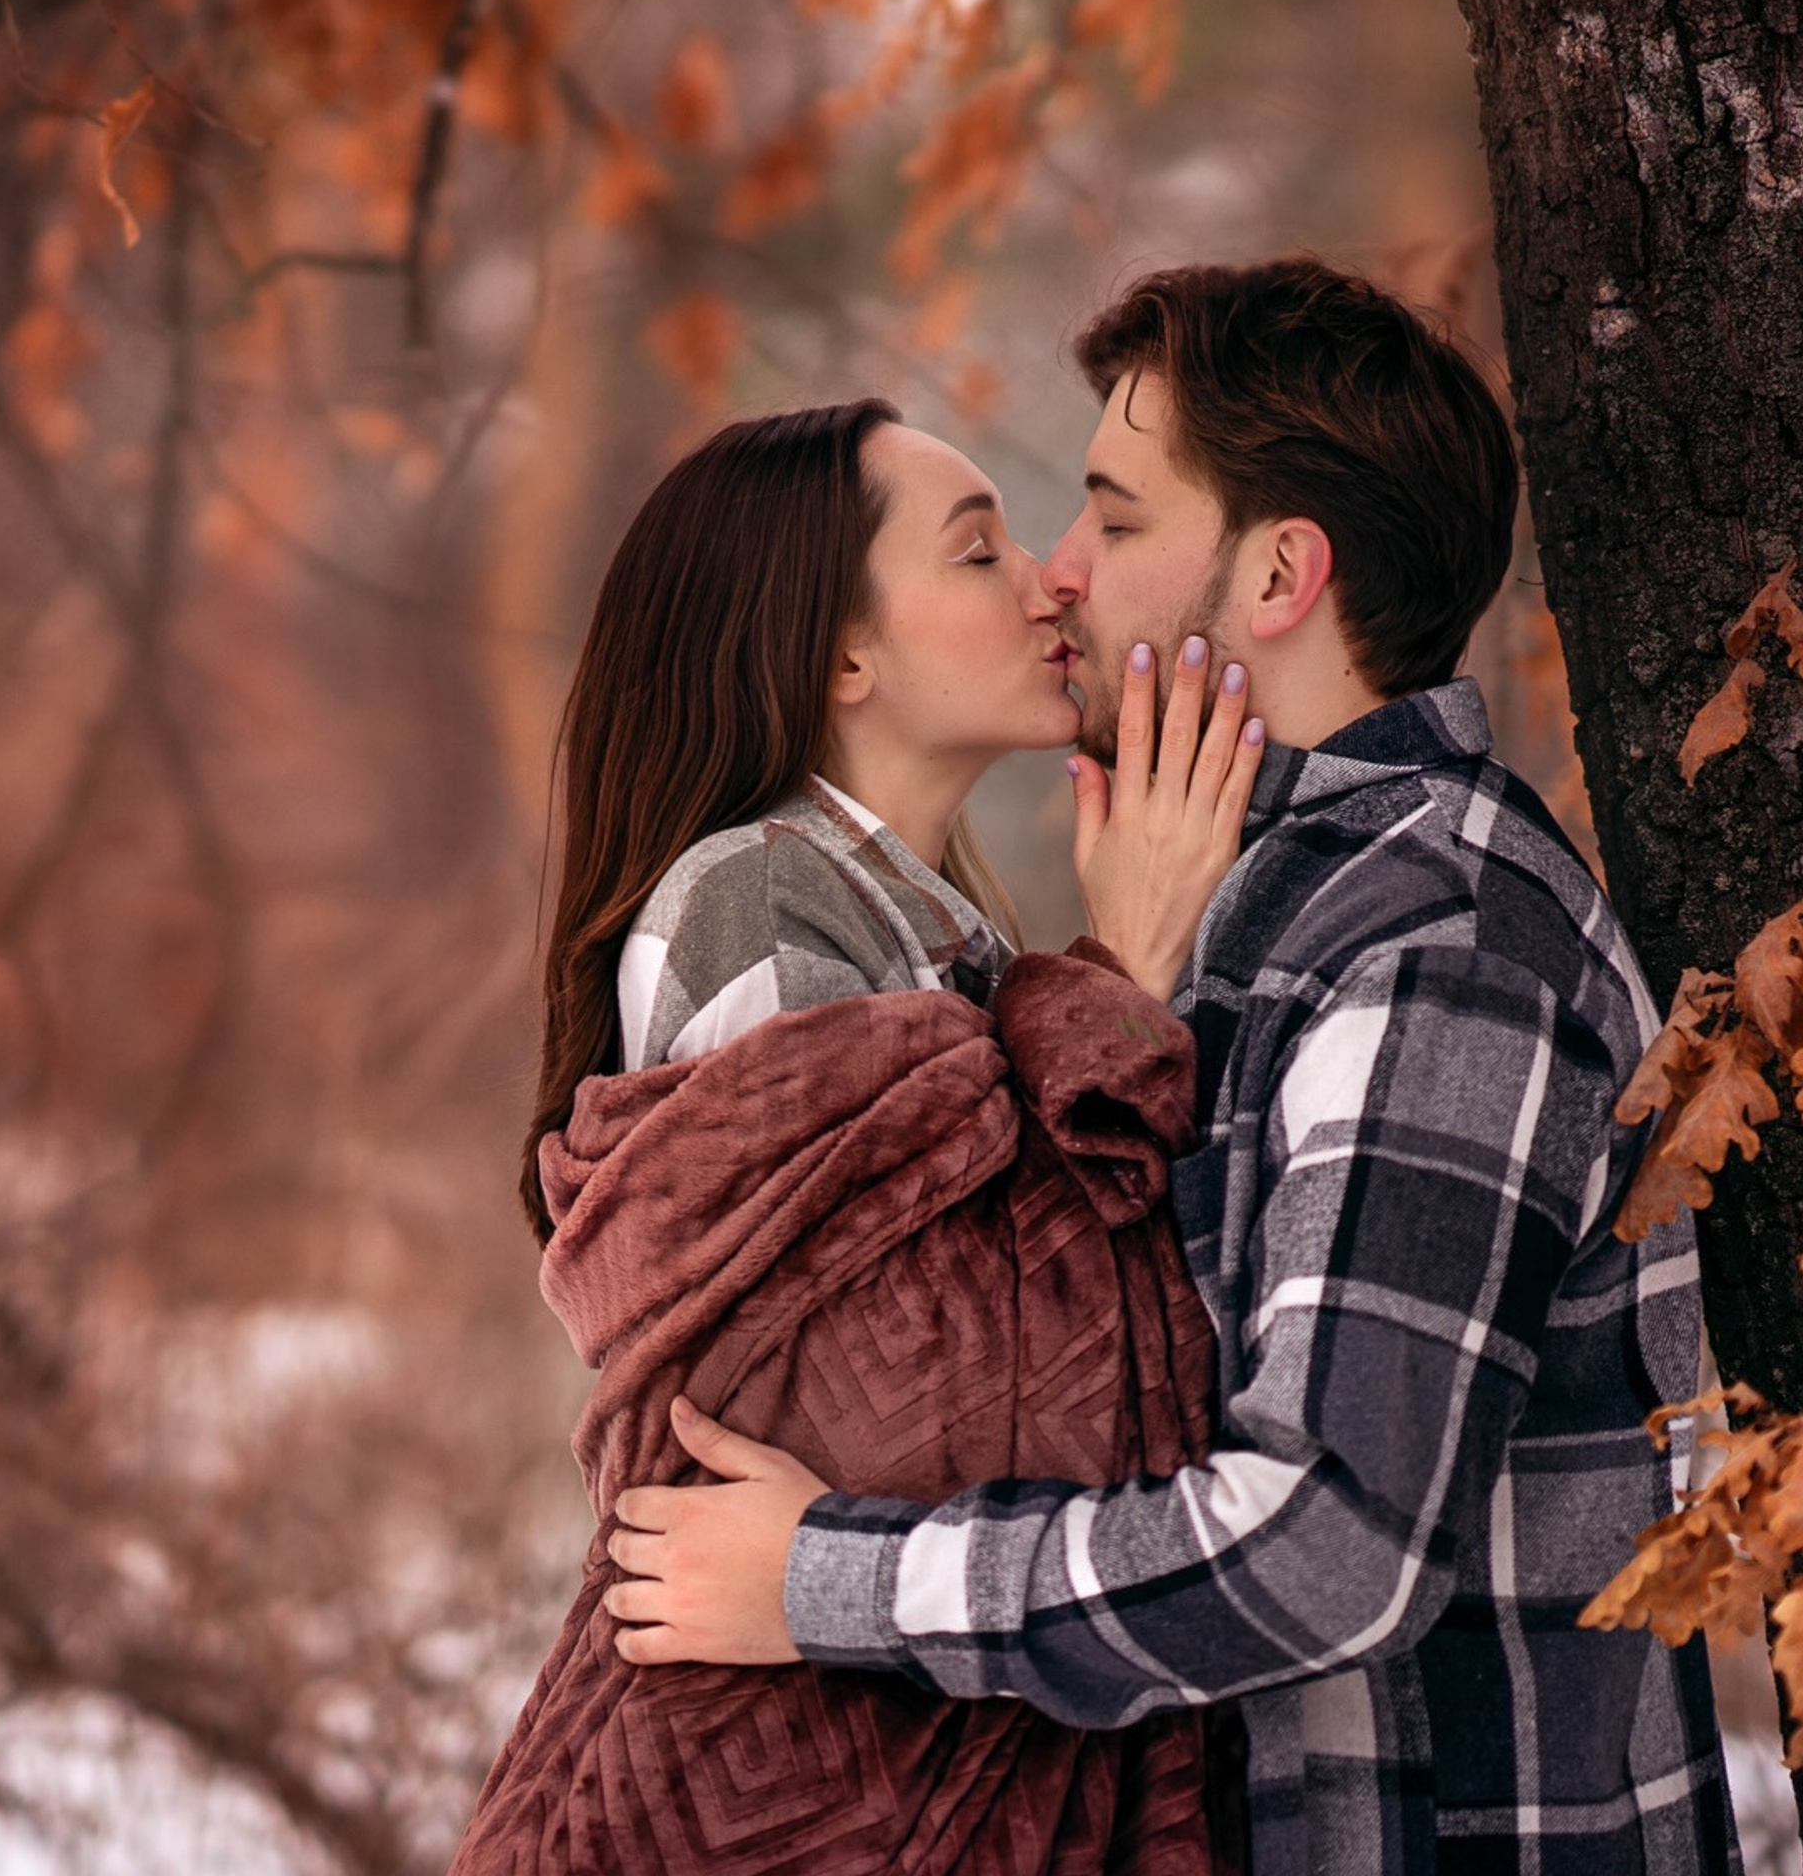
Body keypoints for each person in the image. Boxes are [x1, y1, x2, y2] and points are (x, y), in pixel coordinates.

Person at [601, 261, 1740, 1876]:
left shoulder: (1442, 949)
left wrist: (821, 1580)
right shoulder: (1264, 912)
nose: (1062, 573)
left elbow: (1332, 1543)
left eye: (1115, 518)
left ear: (1277, 575)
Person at [452, 400, 1264, 1874]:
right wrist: (1124, 981)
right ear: (842, 658)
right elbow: (920, 1403)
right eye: (976, 552)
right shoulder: (760, 899)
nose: (1050, 580)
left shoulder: (936, 932)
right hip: (790, 1781)